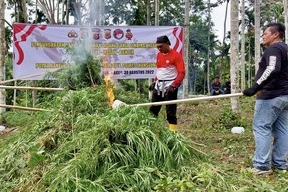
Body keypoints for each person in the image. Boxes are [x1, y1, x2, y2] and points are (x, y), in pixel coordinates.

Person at [242, 22, 288, 175]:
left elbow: (272, 68)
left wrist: (256, 86)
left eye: (265, 33)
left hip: (271, 96)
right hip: (284, 96)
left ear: (275, 34)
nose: (263, 36)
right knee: (281, 130)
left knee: (261, 127)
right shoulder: (286, 49)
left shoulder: (274, 48)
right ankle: (280, 165)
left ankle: (261, 166)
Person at [149, 35, 185, 131]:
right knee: (152, 111)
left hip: (170, 86)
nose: (159, 48)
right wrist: (154, 82)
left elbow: (181, 73)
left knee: (170, 112)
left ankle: (173, 134)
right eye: (157, 47)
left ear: (167, 43)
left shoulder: (176, 55)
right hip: (159, 85)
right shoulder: (159, 55)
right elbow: (160, 71)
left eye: (161, 46)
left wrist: (174, 85)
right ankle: (149, 132)